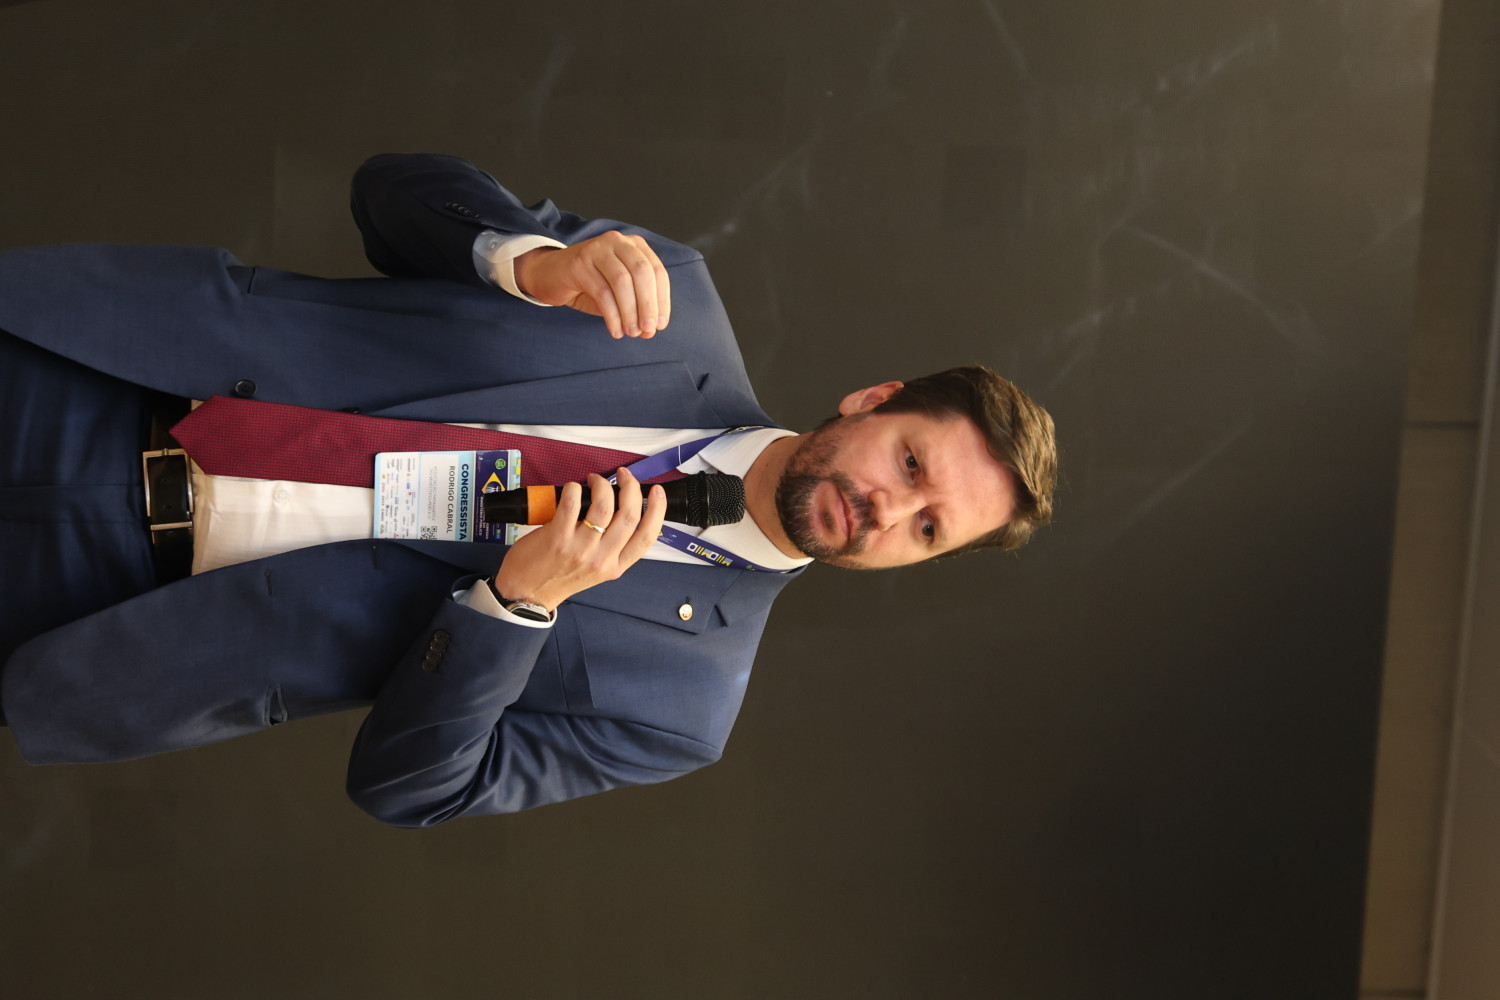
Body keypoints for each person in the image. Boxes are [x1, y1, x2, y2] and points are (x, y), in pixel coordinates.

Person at [0, 154, 1057, 826]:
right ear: (873, 401)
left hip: (110, 614)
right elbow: (386, 194)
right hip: (93, 374)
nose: (887, 511)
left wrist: (514, 608)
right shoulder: (669, 300)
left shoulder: (683, 704)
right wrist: (517, 256)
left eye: (928, 528)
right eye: (910, 464)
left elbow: (411, 786)